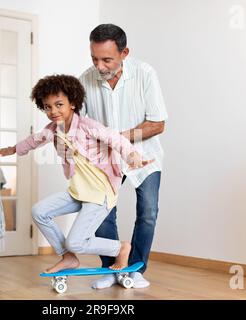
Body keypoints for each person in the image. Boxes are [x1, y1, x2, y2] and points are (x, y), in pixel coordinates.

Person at [0, 74, 153, 274]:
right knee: (39, 211)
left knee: (76, 241)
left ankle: (120, 248)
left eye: (59, 104)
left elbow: (115, 139)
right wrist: (13, 149)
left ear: (72, 103)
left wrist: (132, 155)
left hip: (99, 193)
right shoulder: (52, 130)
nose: (53, 111)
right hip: (78, 191)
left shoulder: (87, 126)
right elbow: (33, 141)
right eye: (47, 107)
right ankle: (68, 257)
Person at [79, 24, 168, 289]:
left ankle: (136, 268)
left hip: (145, 158)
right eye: (94, 58)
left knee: (148, 213)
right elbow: (80, 126)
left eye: (107, 59)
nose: (100, 66)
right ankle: (111, 268)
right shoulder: (84, 80)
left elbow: (157, 124)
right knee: (103, 214)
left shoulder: (145, 74)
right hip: (105, 161)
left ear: (124, 53)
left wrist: (117, 137)